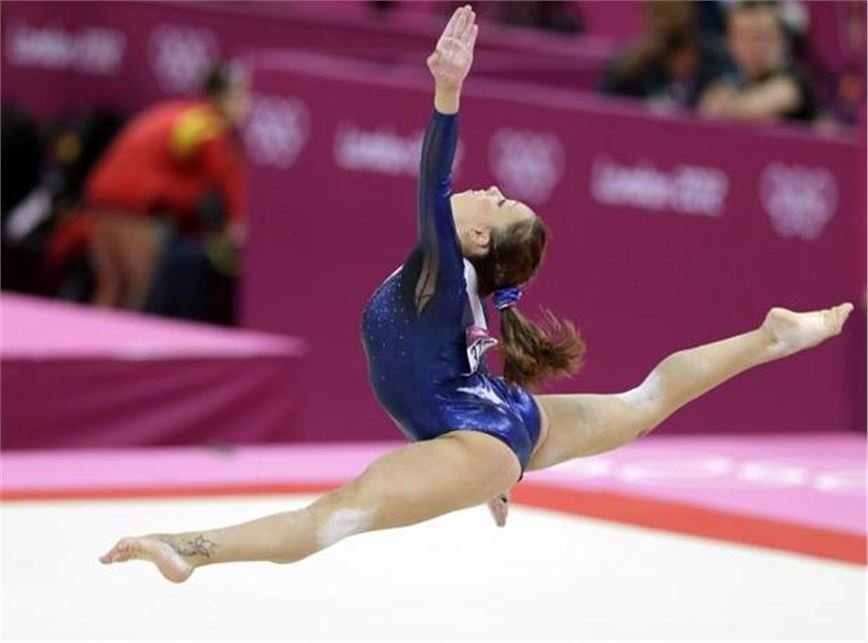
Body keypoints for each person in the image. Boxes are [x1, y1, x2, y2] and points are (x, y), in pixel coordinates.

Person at [99, 6, 853, 583]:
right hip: (488, 414)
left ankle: (190, 548)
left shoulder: (439, 268)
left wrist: (448, 92)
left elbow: (434, 179)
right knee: (645, 399)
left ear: (479, 240)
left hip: (478, 431)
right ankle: (771, 336)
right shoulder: (451, 280)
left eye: (497, 201)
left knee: (330, 517)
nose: (488, 189)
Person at [85, 64, 247, 311]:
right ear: (224, 98)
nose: (248, 106)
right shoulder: (207, 129)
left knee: (112, 286)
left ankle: (91, 346)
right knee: (141, 289)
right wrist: (238, 222)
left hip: (100, 192)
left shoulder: (179, 112)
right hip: (133, 203)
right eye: (243, 97)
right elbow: (227, 178)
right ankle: (128, 348)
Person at [698, 0, 817, 123]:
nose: (753, 46)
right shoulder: (733, 80)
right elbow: (706, 107)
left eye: (761, 36)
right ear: (730, 41)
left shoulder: (793, 80)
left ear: (781, 38)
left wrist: (728, 105)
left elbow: (760, 105)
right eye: (743, 37)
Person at [600, 1, 731, 110]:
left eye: (670, 9)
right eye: (656, 12)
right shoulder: (630, 68)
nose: (662, 22)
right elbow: (605, 114)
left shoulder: (720, 62)